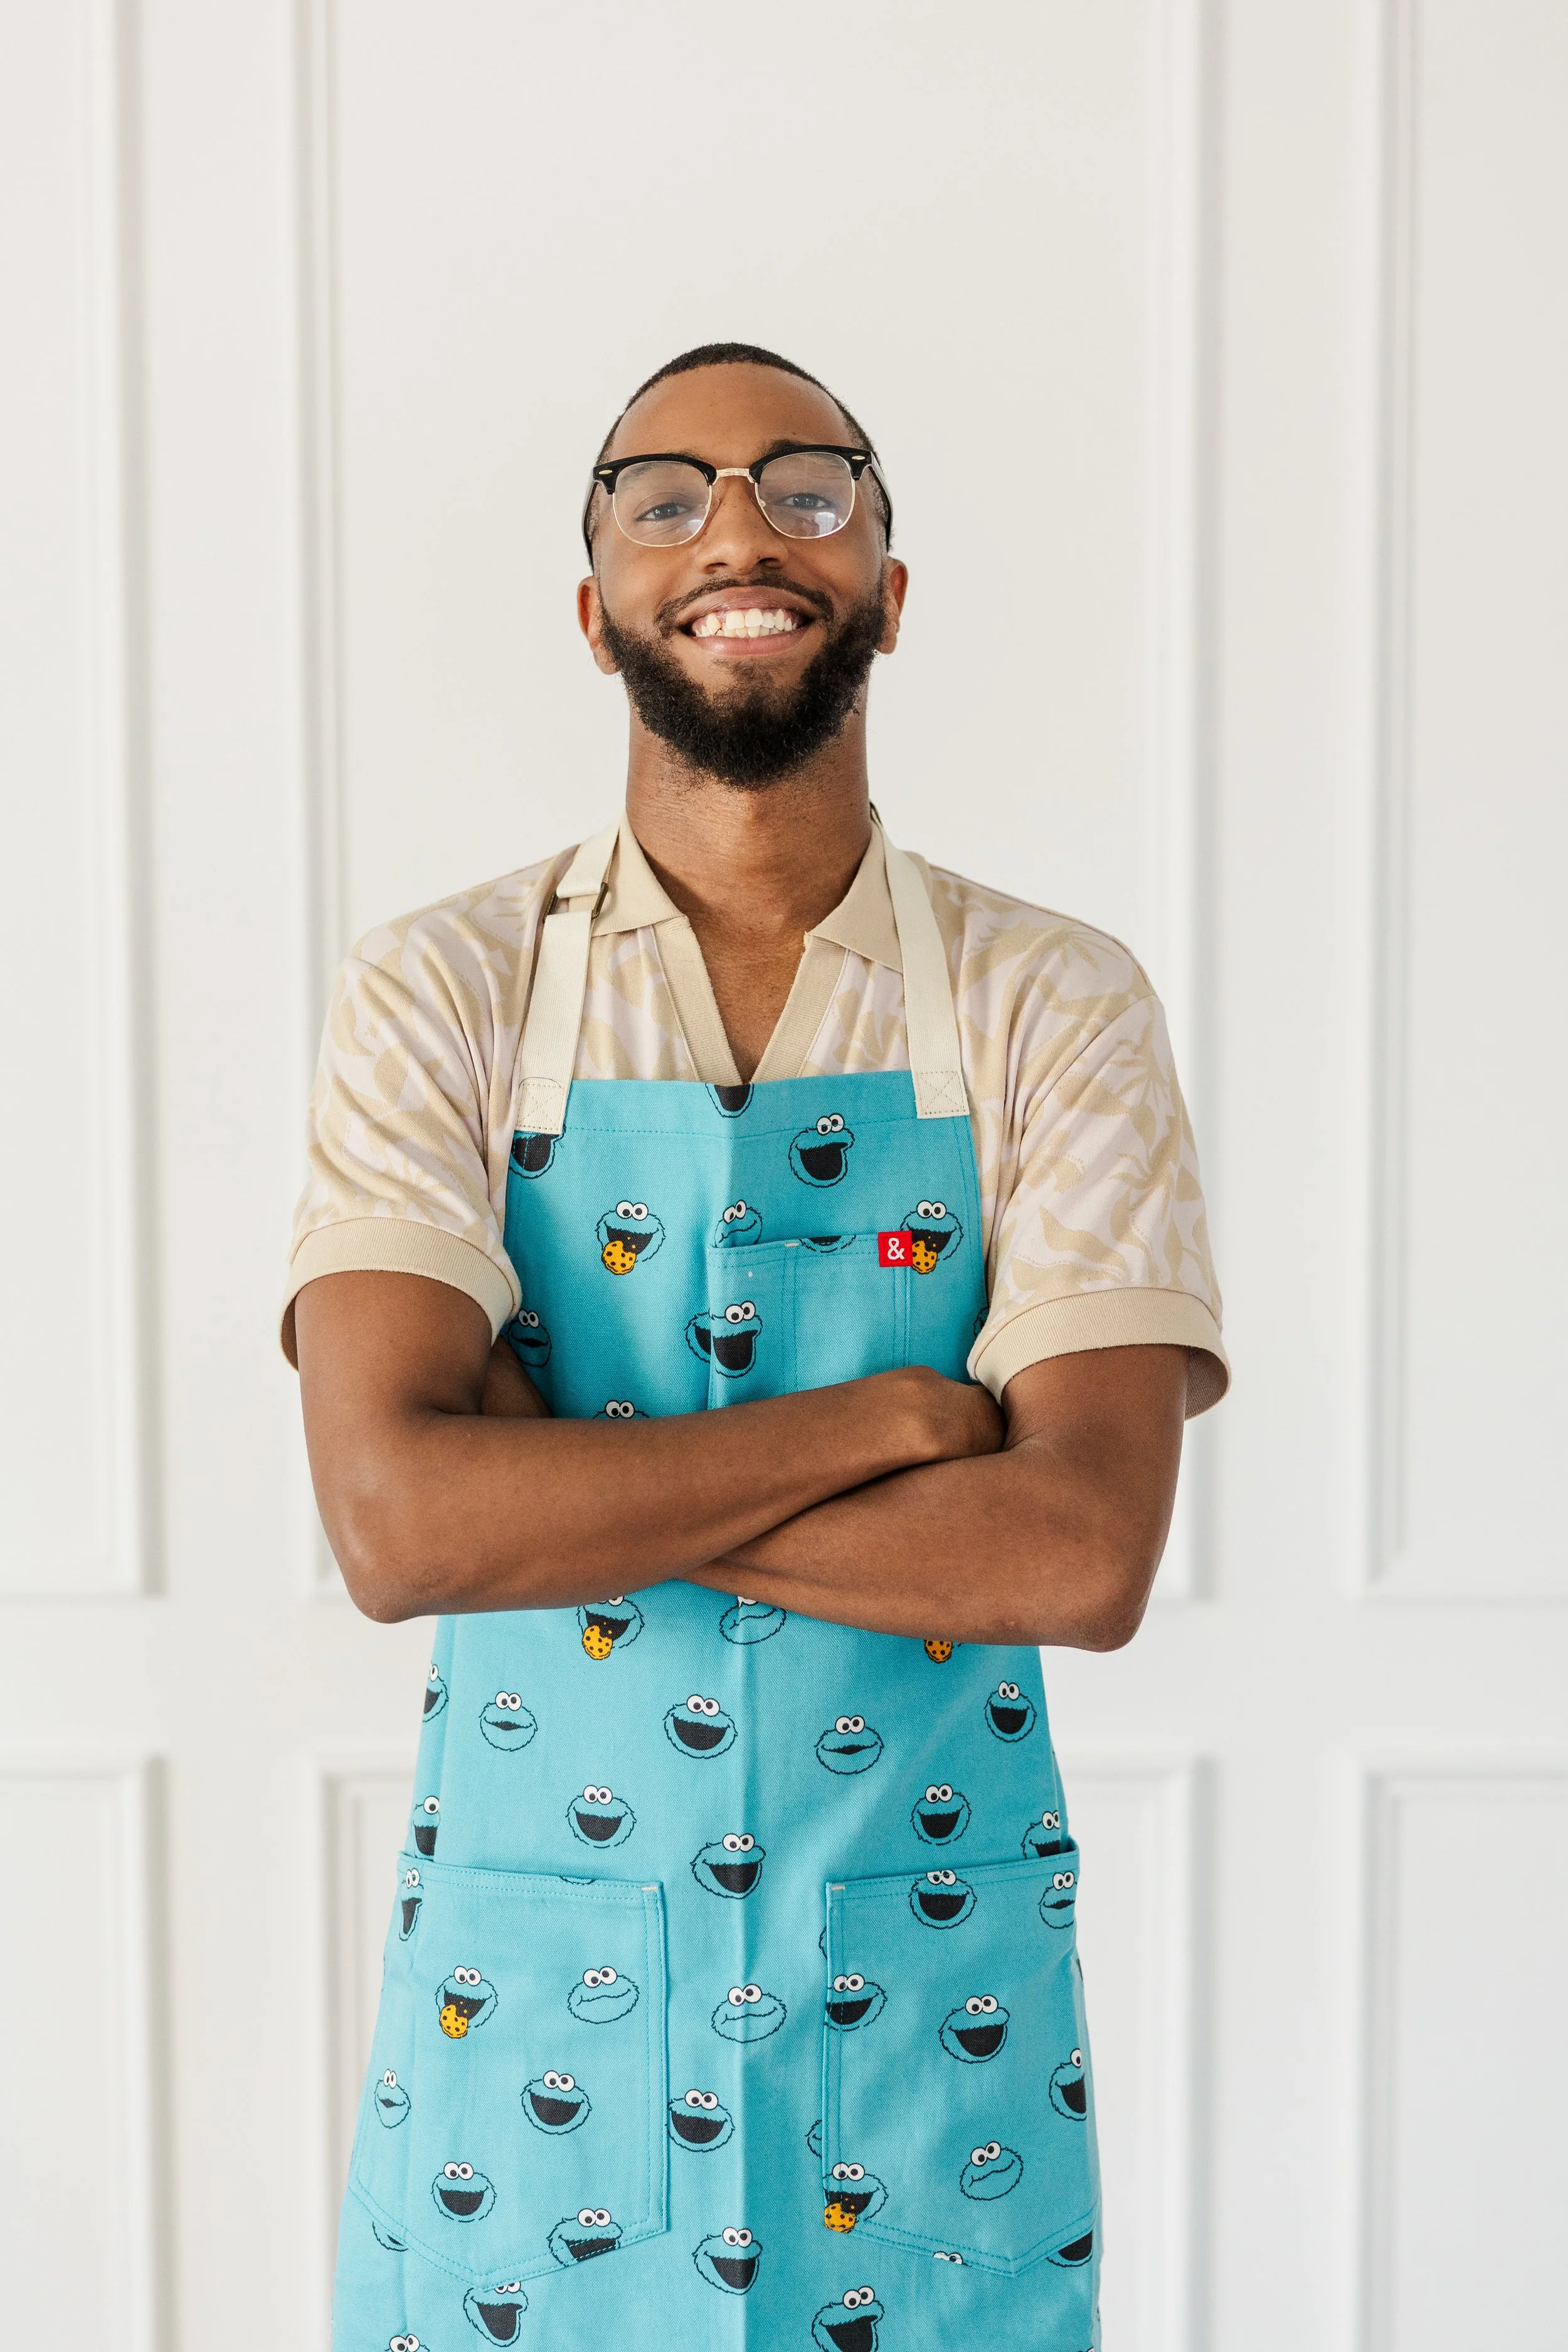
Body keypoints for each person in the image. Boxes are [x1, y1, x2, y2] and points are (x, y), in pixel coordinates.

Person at [287, 341, 1227, 2352]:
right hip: (536, 2004)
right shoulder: (443, 993)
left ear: (887, 589)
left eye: (811, 491)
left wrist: (553, 1481)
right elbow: (393, 1523)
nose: (737, 530)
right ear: (594, 604)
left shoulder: (1050, 1004)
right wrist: (894, 1419)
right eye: (665, 494)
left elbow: (1074, 1555)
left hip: (922, 2004)